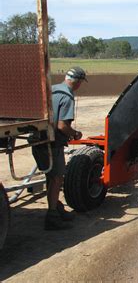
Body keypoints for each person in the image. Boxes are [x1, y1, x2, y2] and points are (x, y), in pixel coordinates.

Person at [32, 67, 87, 230]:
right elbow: (62, 125)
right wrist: (75, 134)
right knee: (57, 179)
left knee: (51, 176)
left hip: (37, 141)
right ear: (78, 82)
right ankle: (52, 217)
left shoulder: (52, 90)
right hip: (52, 144)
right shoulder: (67, 97)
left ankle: (56, 207)